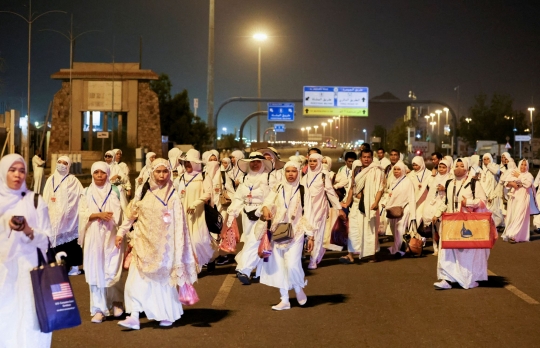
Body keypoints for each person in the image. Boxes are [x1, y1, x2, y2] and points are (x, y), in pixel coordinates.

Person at [116, 158, 198, 330]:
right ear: (151, 173)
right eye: (158, 172)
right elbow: (131, 214)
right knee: (133, 282)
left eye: (165, 172)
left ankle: (167, 314)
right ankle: (134, 316)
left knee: (162, 285)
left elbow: (178, 226)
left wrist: (178, 251)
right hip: (142, 245)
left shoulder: (173, 196)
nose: (161, 175)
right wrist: (121, 232)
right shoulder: (143, 191)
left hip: (164, 249)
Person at [0, 154, 52, 348]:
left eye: (22, 170)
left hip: (31, 273)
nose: (17, 175)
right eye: (12, 170)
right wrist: (6, 226)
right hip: (4, 274)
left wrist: (28, 230)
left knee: (31, 321)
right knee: (5, 321)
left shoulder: (36, 200)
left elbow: (47, 239)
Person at [433, 158, 495, 290]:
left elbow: (483, 202)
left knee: (466, 253)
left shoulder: (473, 183)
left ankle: (467, 278)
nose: (458, 168)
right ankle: (446, 279)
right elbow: (446, 201)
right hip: (450, 222)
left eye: (462, 166)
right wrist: (437, 213)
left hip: (467, 224)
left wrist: (469, 203)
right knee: (446, 251)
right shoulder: (449, 182)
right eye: (456, 165)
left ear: (466, 168)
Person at [78, 161, 126, 323]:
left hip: (112, 237)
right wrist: (98, 215)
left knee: (112, 269)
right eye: (96, 172)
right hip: (94, 238)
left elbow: (125, 213)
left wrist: (121, 232)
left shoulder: (116, 191)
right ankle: (99, 308)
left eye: (103, 172)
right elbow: (82, 213)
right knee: (95, 270)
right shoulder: (86, 192)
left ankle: (117, 302)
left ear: (108, 173)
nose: (99, 176)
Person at [260, 161, 309, 310]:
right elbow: (267, 202)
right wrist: (265, 209)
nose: (291, 174)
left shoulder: (303, 190)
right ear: (284, 172)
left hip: (297, 231)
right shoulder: (278, 187)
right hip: (279, 230)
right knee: (280, 265)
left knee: (292, 264)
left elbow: (310, 213)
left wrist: (311, 236)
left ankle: (298, 288)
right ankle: (284, 299)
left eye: (294, 171)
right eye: (288, 171)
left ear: (298, 172)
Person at [227, 152, 272, 284]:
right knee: (250, 242)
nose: (255, 164)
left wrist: (259, 211)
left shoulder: (268, 178)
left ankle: (244, 269)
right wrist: (233, 212)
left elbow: (271, 197)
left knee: (255, 242)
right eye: (252, 162)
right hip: (246, 214)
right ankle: (259, 272)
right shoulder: (245, 178)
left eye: (258, 162)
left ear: (263, 163)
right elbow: (238, 197)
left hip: (262, 215)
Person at [176, 149, 218, 272]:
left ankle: (210, 258)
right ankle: (195, 268)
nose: (187, 165)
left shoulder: (203, 177)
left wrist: (195, 204)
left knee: (200, 240)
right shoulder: (181, 178)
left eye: (190, 162)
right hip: (184, 214)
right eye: (186, 162)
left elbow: (208, 194)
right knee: (188, 241)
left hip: (199, 214)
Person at [301, 153, 345, 269]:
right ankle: (306, 255)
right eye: (310, 161)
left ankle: (313, 260)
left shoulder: (323, 176)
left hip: (320, 209)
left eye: (315, 161)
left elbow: (330, 193)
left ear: (319, 162)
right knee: (307, 234)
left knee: (318, 235)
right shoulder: (304, 177)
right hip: (307, 211)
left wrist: (339, 209)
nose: (312, 164)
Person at [43, 155, 84, 275]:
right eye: (59, 162)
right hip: (53, 216)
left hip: (69, 220)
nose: (61, 164)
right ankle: (56, 267)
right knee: (53, 241)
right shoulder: (51, 179)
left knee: (71, 242)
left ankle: (75, 267)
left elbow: (81, 197)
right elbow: (46, 197)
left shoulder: (73, 180)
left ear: (69, 166)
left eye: (65, 163)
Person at [340, 149, 384, 263]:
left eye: (368, 157)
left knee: (370, 230)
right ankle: (351, 254)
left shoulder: (376, 171)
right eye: (364, 157)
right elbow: (352, 188)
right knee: (353, 229)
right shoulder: (357, 170)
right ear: (360, 158)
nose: (366, 159)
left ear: (372, 158)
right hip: (355, 204)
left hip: (369, 205)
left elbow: (380, 188)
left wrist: (376, 202)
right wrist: (347, 203)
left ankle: (371, 254)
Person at [383, 160, 416, 257]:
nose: (396, 171)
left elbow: (411, 198)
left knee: (400, 229)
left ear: (403, 170)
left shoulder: (408, 182)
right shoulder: (393, 181)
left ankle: (399, 251)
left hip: (404, 209)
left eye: (399, 169)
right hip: (393, 209)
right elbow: (390, 194)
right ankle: (397, 248)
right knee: (394, 230)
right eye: (395, 169)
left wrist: (413, 215)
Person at [502, 159, 539, 243]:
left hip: (524, 197)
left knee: (520, 216)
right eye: (521, 164)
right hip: (514, 197)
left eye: (525, 165)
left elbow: (528, 184)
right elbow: (506, 183)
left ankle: (513, 235)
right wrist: (512, 183)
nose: (523, 166)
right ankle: (518, 235)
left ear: (527, 166)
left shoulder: (529, 175)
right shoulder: (514, 172)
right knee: (514, 216)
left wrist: (519, 177)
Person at [423, 157, 452, 256]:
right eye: (440, 167)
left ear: (448, 168)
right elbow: (430, 189)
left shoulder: (449, 178)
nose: (441, 169)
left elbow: (450, 192)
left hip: (443, 204)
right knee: (433, 228)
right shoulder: (435, 177)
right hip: (433, 204)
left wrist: (445, 188)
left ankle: (442, 249)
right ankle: (435, 248)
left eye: (444, 167)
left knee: (441, 229)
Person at [480, 153, 503, 227]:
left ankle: (495, 225)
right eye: (484, 159)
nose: (486, 161)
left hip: (494, 193)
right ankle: (490, 226)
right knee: (487, 211)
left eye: (488, 159)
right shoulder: (482, 170)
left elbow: (497, 172)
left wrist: (489, 165)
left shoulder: (495, 166)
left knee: (496, 211)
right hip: (485, 194)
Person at [407, 156, 430, 228]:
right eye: (413, 165)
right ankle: (413, 235)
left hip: (424, 200)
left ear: (421, 164)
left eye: (416, 165)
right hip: (413, 199)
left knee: (420, 217)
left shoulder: (428, 173)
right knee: (412, 217)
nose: (414, 167)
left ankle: (421, 237)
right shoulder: (411, 174)